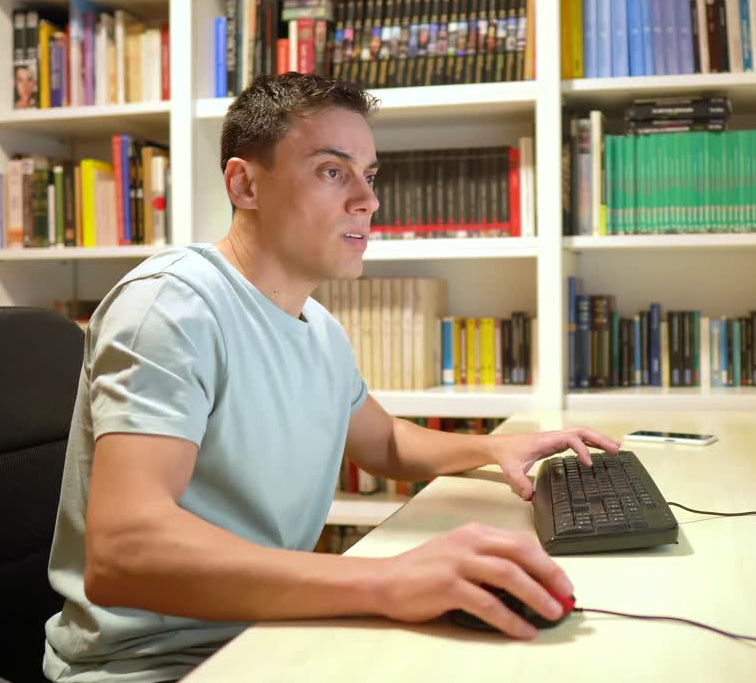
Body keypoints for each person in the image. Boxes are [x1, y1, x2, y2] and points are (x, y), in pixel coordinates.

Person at [42, 72, 619, 682]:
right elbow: (124, 552)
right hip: (159, 667)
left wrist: (494, 447)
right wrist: (389, 580)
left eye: (369, 176)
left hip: (269, 636)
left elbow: (384, 441)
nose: (367, 200)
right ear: (244, 184)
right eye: (331, 171)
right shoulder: (171, 307)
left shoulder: (317, 327)